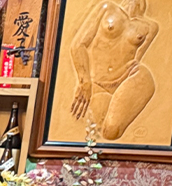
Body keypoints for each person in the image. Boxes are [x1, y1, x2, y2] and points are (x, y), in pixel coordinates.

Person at [68, 0, 159, 140]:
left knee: (112, 131)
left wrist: (127, 73)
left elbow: (137, 59)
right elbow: (78, 45)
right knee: (104, 130)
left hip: (124, 80)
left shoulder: (150, 27)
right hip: (97, 83)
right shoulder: (106, 8)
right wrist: (84, 80)